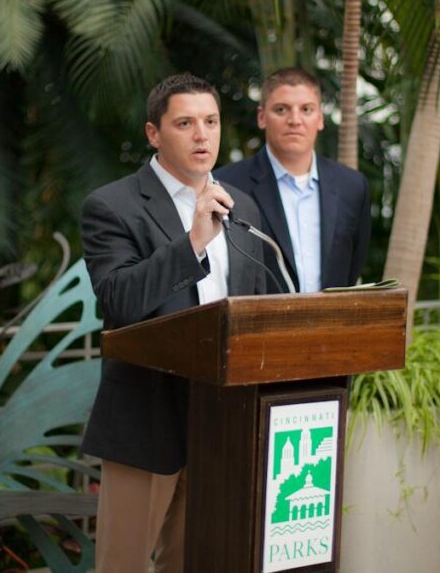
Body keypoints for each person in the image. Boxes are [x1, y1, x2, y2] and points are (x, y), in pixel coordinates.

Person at [79, 73, 267, 573]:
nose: (202, 135)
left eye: (211, 121)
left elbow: (260, 302)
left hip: (222, 422)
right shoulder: (112, 206)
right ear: (154, 133)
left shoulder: (242, 206)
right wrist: (193, 243)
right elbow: (119, 299)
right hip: (146, 418)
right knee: (123, 565)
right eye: (185, 123)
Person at [215, 67, 371, 293]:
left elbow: (352, 267)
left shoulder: (352, 186)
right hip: (258, 324)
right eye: (281, 109)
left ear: (319, 118)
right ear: (262, 117)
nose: (295, 120)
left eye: (306, 109)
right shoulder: (226, 185)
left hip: (331, 324)